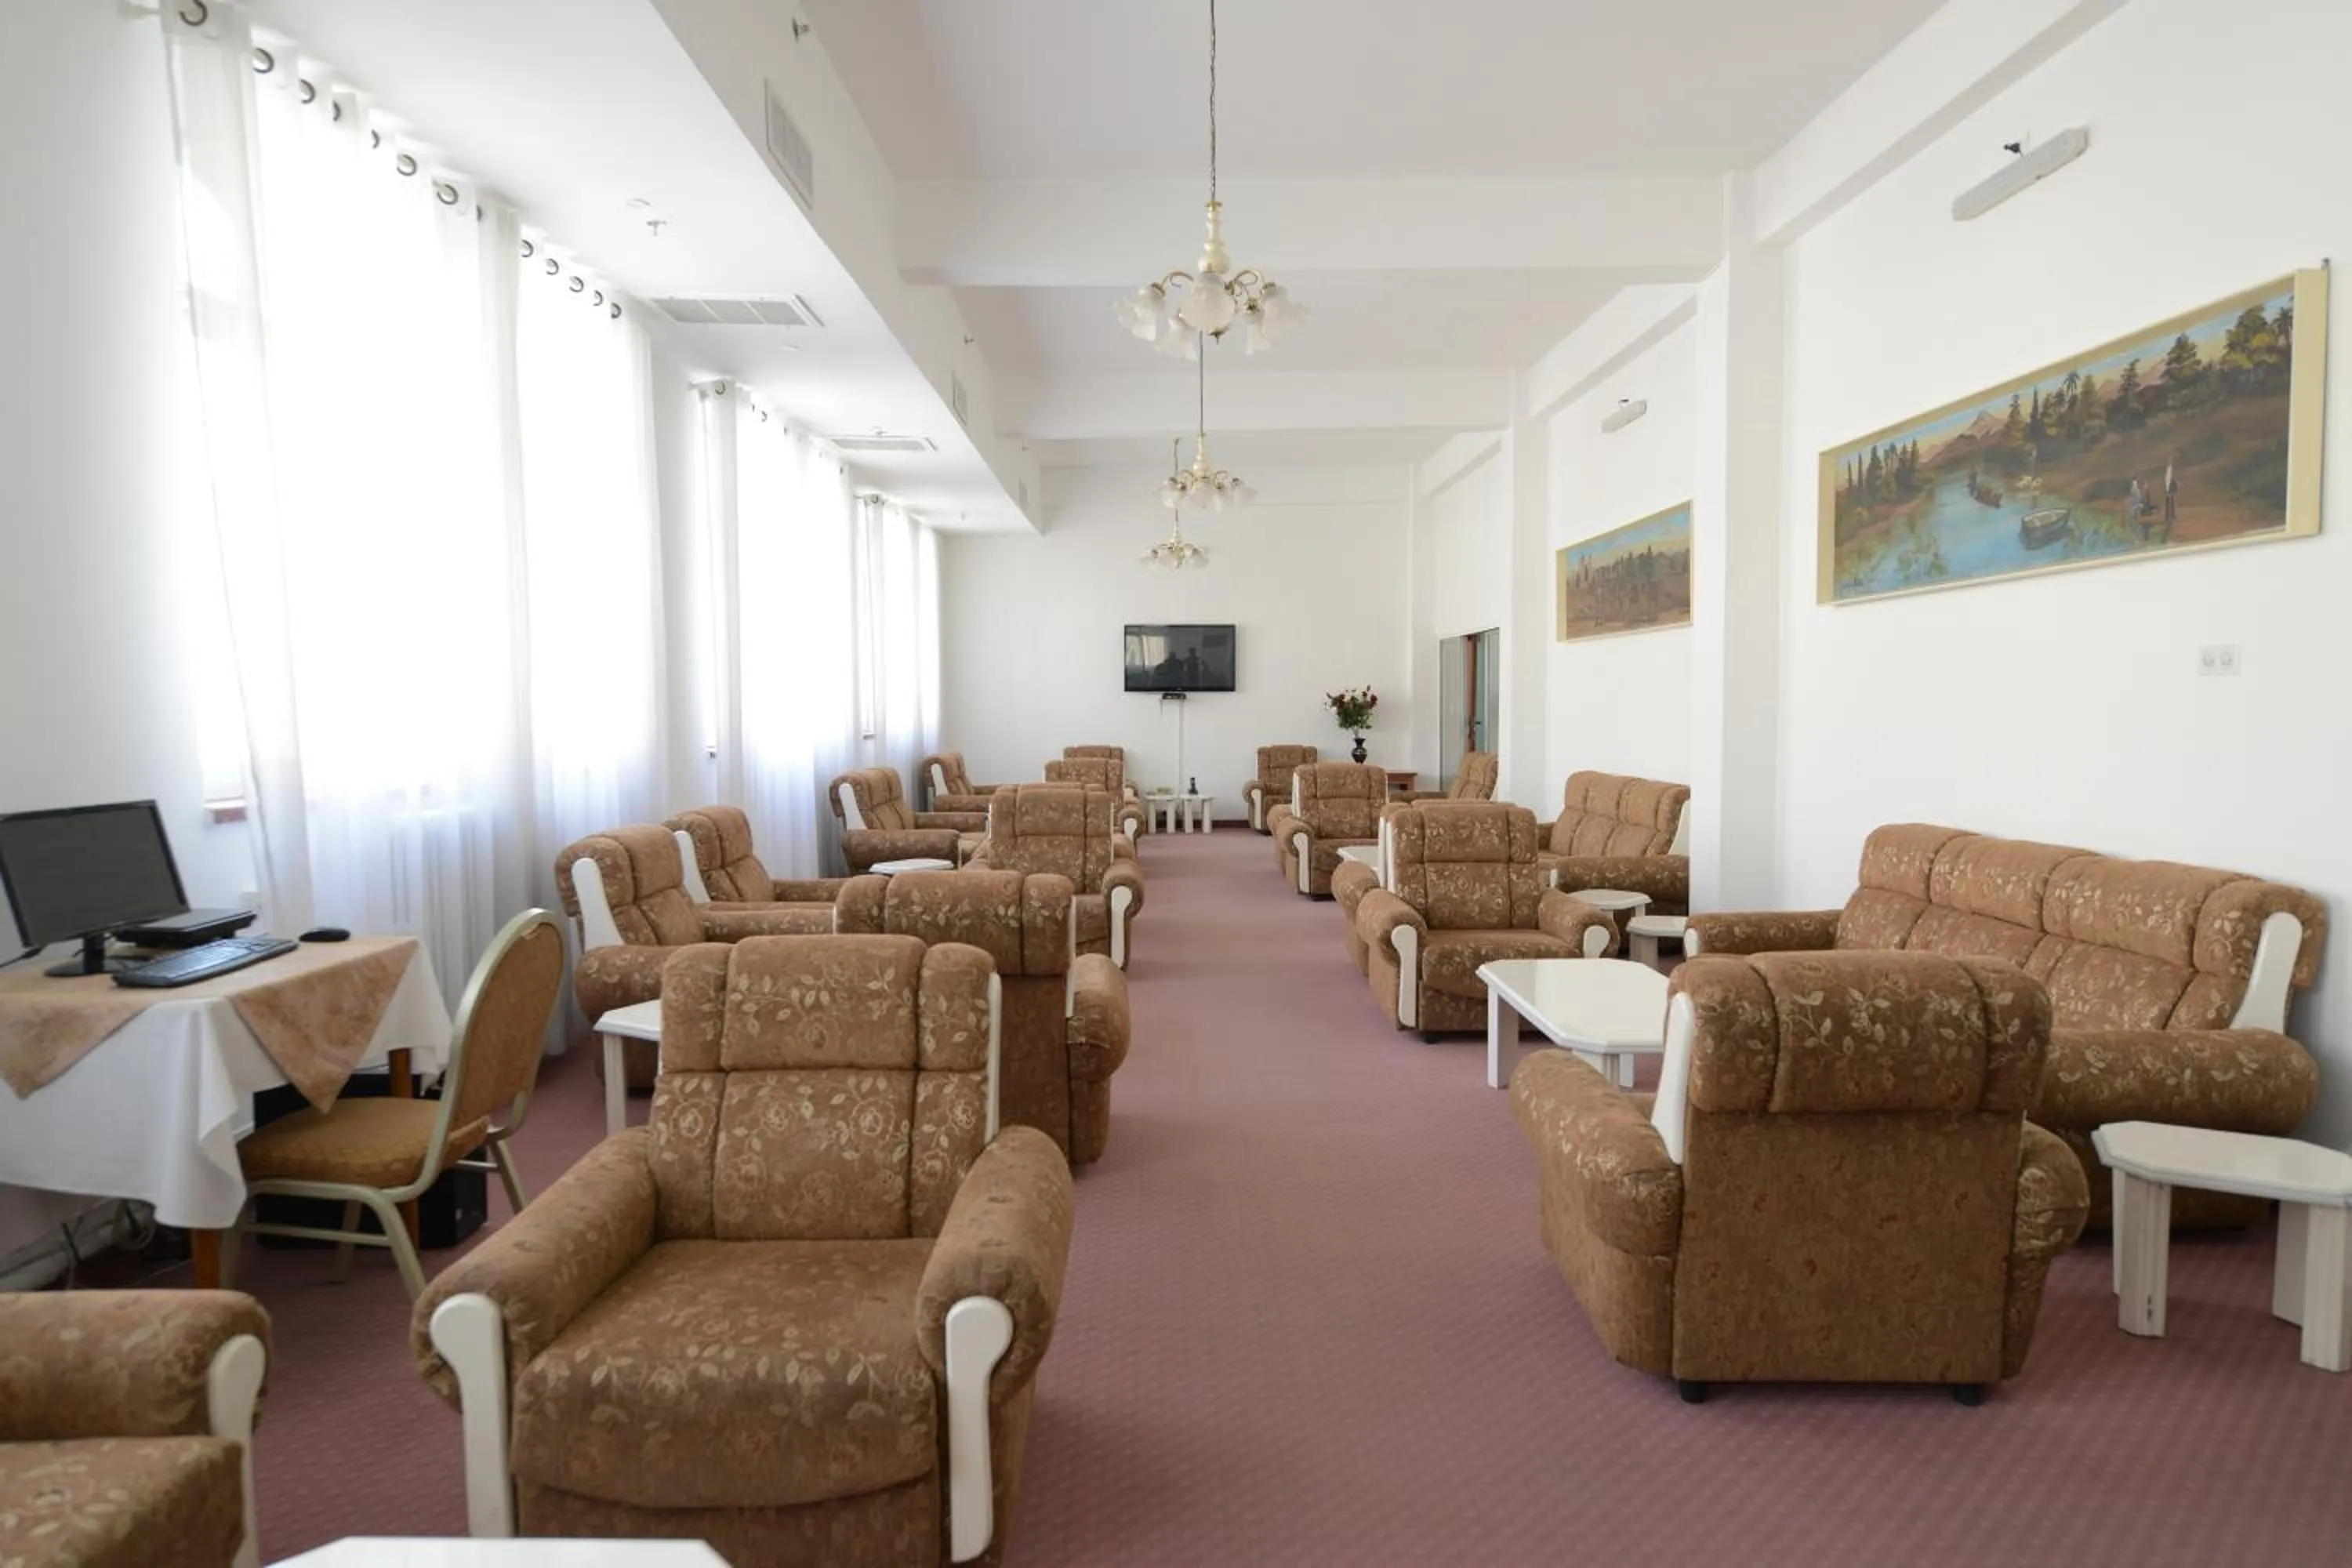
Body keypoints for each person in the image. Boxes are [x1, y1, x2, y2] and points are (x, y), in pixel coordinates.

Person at [2163, 461, 2179, 538]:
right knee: (2170, 506)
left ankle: (2170, 517)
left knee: (2170, 505)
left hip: (2169, 493)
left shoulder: (2168, 477)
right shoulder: (2168, 477)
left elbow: (2170, 484)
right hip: (2169, 493)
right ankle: (2169, 517)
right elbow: (2168, 483)